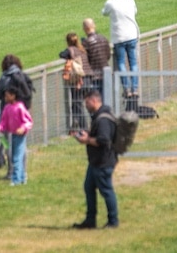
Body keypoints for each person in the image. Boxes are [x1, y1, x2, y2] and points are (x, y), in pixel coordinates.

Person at [72, 90, 118, 230]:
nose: (86, 106)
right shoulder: (100, 115)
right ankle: (90, 220)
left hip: (103, 161)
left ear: (94, 101)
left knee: (106, 190)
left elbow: (104, 139)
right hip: (95, 162)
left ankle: (113, 221)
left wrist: (87, 140)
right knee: (89, 187)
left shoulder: (103, 119)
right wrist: (88, 134)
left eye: (87, 102)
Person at [102, 0, 140, 97]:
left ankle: (127, 88)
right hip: (132, 34)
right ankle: (135, 88)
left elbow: (104, 12)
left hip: (119, 37)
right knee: (133, 62)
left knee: (121, 62)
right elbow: (135, 11)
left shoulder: (110, 2)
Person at [0, 88, 33, 186]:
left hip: (20, 136)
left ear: (13, 96)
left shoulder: (20, 107)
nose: (5, 98)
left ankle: (16, 179)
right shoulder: (7, 108)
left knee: (17, 157)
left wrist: (23, 128)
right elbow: (3, 122)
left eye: (7, 95)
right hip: (12, 134)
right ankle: (21, 177)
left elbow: (28, 121)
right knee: (14, 156)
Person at [60, 32, 92, 131]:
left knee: (77, 105)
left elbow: (61, 54)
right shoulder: (82, 49)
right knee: (89, 104)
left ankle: (84, 128)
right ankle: (89, 124)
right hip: (89, 78)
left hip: (79, 80)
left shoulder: (70, 50)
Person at [81, 18, 111, 94]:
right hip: (105, 72)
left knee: (96, 100)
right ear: (94, 26)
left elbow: (85, 60)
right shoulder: (103, 38)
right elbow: (108, 55)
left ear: (84, 28)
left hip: (94, 75)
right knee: (106, 100)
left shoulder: (86, 42)